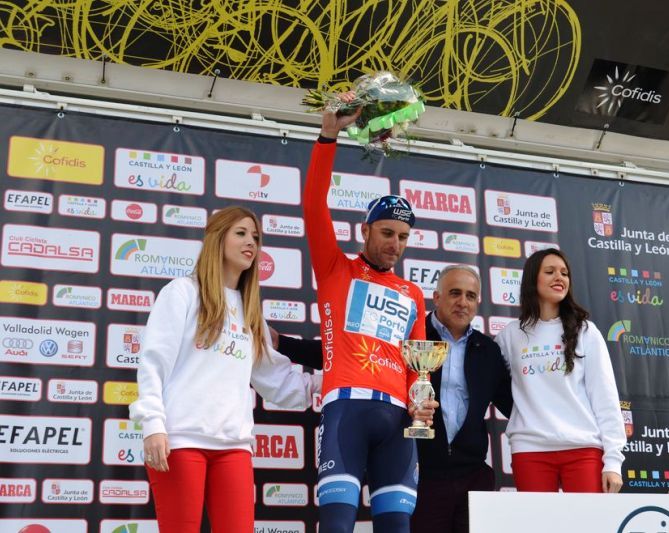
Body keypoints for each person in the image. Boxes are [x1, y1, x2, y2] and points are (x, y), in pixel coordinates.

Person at [273, 264, 512, 533]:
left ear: (478, 301)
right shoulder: (406, 331)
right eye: (455, 293)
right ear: (437, 297)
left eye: (471, 295)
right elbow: (339, 353)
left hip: (473, 477)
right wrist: (283, 344)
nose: (463, 302)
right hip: (423, 473)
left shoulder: (488, 350)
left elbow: (514, 404)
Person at [129, 206, 319, 533]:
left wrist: (333, 381)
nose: (251, 243)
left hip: (234, 446)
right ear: (217, 239)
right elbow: (153, 363)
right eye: (241, 233)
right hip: (179, 440)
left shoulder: (250, 312)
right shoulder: (182, 292)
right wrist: (153, 425)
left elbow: (278, 382)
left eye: (255, 237)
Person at [305, 94, 430, 533]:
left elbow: (418, 365)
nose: (395, 243)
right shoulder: (335, 269)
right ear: (365, 230)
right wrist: (329, 135)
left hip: (398, 420)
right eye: (387, 233)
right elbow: (314, 205)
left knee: (397, 528)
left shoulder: (413, 294)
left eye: (403, 236)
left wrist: (421, 402)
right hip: (346, 410)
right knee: (336, 527)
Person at [494, 248, 626, 493]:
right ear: (532, 279)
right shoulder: (510, 335)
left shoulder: (586, 331)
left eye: (564, 273)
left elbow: (604, 396)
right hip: (530, 449)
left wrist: (613, 461)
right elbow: (493, 384)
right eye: (550, 271)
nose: (559, 277)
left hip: (583, 448)